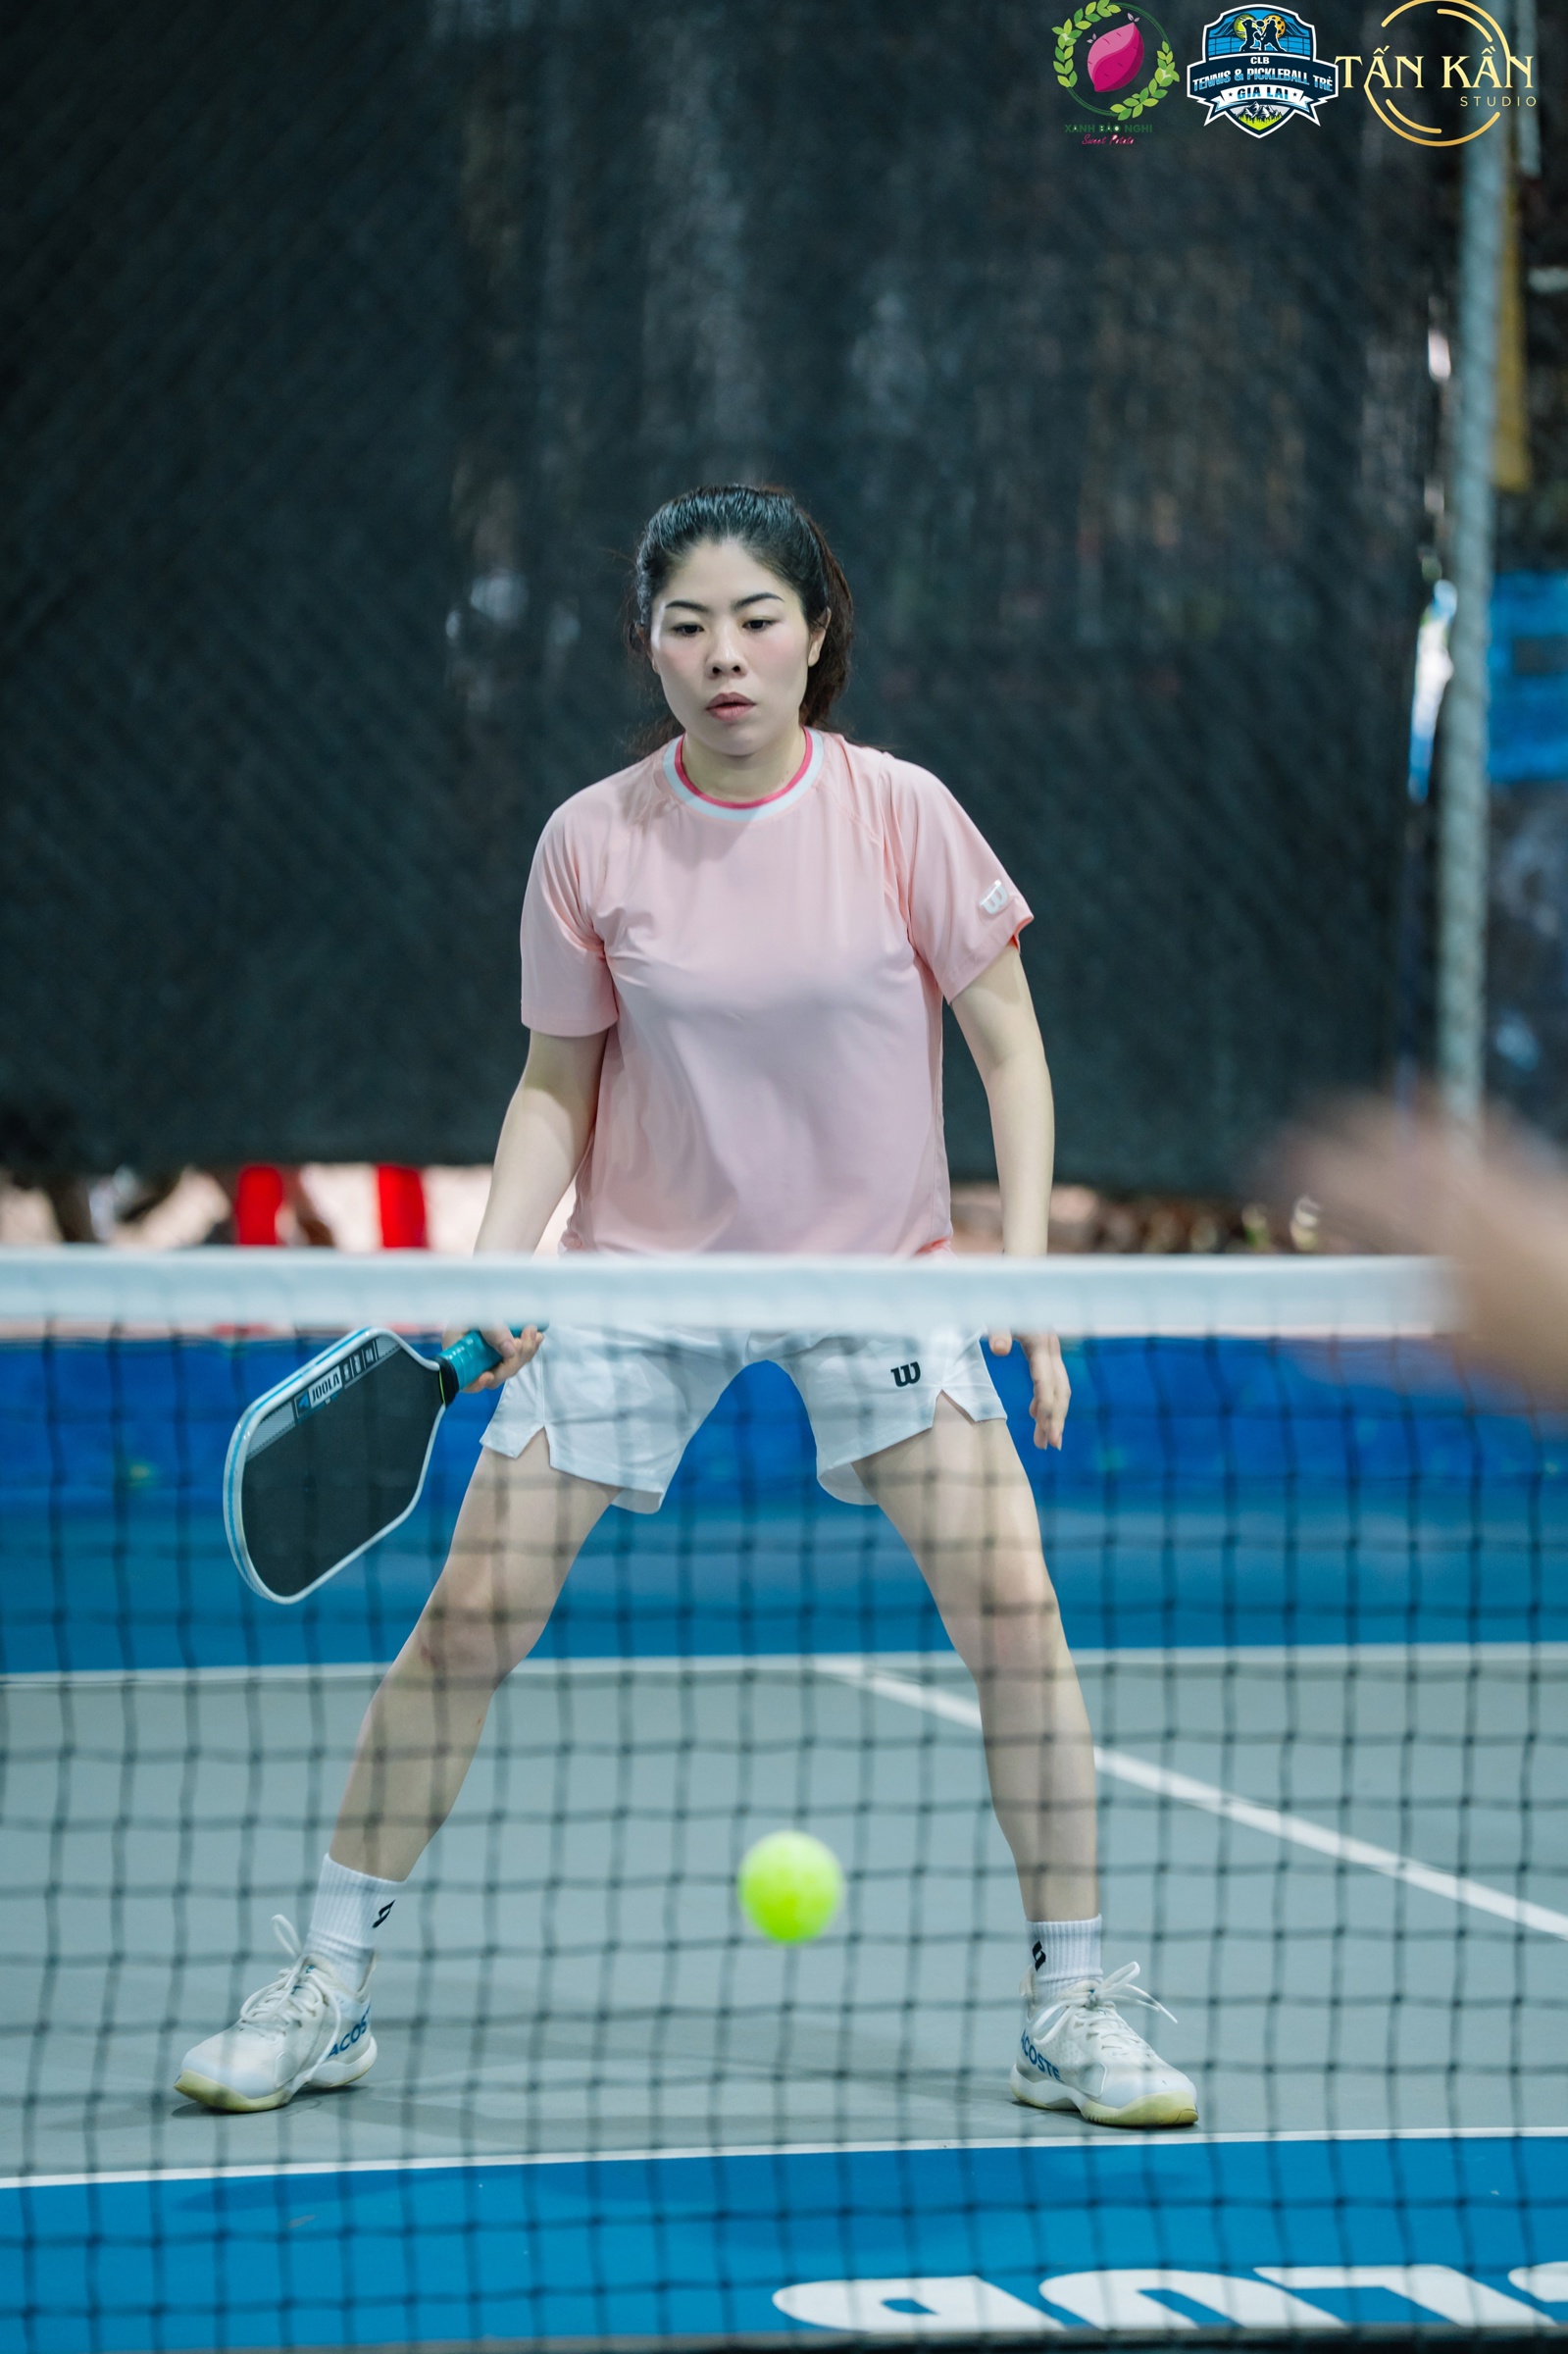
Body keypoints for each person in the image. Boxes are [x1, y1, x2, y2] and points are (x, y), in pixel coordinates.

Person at [176, 485, 1195, 2130]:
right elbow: (551, 1090)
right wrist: (498, 1273)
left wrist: (1026, 1288)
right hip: (641, 1277)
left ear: (815, 634)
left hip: (875, 1273)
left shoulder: (903, 814)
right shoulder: (593, 840)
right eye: (688, 625)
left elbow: (1010, 1050)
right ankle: (327, 1986)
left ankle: (1070, 2006)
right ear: (649, 646)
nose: (725, 655)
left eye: (757, 621)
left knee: (1017, 1617)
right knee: (472, 1618)